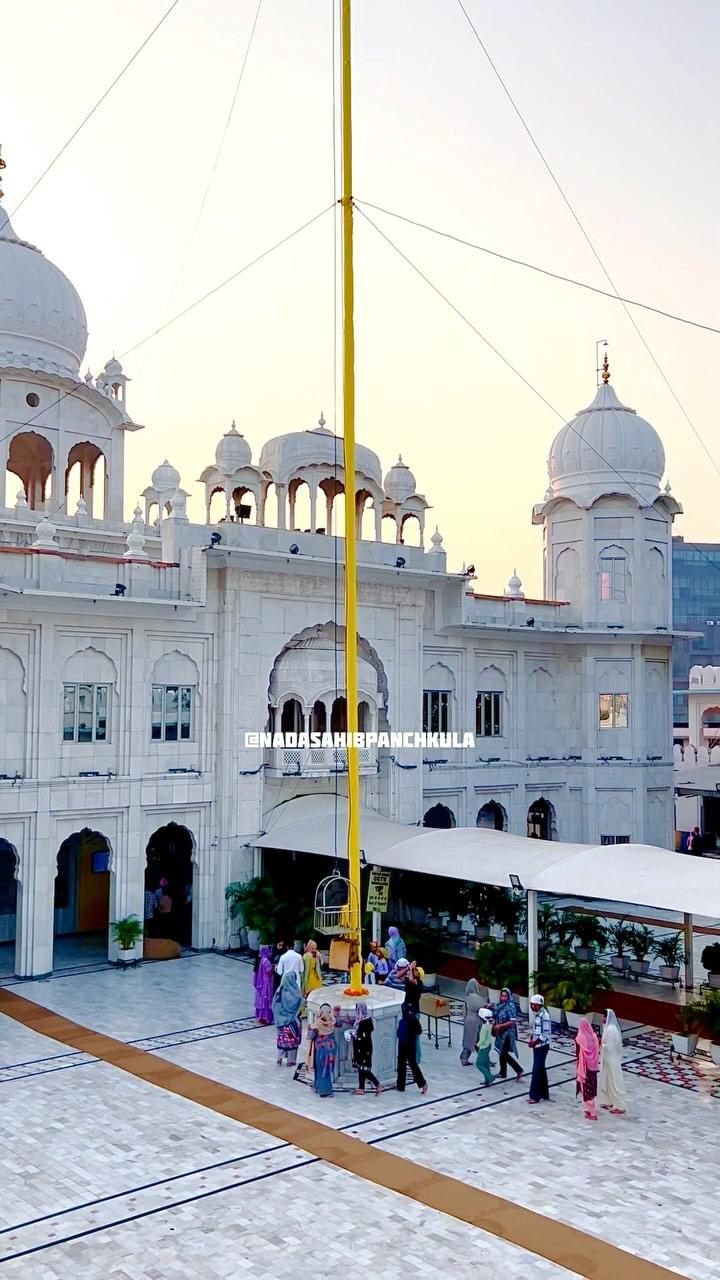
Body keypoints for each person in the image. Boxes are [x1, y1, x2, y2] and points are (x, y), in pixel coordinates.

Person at [271, 969, 302, 1066]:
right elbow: (299, 1004)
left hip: (281, 1022)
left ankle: (279, 1058)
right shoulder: (295, 993)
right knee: (292, 1042)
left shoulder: (279, 990)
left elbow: (274, 1004)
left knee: (282, 1040)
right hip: (292, 1022)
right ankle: (291, 1061)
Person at [350, 1001, 382, 1095]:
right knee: (361, 1068)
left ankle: (377, 1084)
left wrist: (355, 1036)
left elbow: (363, 1037)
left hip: (364, 1049)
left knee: (364, 1069)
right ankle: (361, 1088)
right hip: (361, 1048)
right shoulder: (361, 1020)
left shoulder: (365, 1022)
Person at [306, 1003, 338, 1097]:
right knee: (327, 1069)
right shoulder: (332, 1020)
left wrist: (309, 1029)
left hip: (321, 1050)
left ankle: (325, 1090)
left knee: (321, 1069)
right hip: (331, 1049)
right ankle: (318, 1086)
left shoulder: (318, 1023)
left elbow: (310, 1036)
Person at [396, 1000, 427, 1094]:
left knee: (408, 1063)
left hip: (407, 1042)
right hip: (406, 1042)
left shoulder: (407, 1021)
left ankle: (421, 1083)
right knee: (404, 1062)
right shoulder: (411, 1020)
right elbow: (419, 1031)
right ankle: (401, 1086)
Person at [599, 1008, 627, 1115]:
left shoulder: (611, 1029)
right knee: (606, 1080)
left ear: (607, 1017)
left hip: (612, 1059)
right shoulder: (607, 1027)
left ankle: (619, 1105)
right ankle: (608, 1101)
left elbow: (610, 1046)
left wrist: (601, 1044)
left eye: (603, 1016)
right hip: (607, 1059)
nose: (601, 1018)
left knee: (613, 1081)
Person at [493, 987, 523, 1081]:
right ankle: (503, 1072)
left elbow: (512, 1022)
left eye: (505, 996)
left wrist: (501, 1026)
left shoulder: (511, 1006)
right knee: (502, 1052)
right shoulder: (500, 1005)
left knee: (503, 1053)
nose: (503, 998)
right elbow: (495, 1011)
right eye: (502, 996)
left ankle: (518, 1069)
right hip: (501, 1032)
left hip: (508, 1033)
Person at [527, 994, 552, 1104]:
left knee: (536, 1069)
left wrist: (535, 1042)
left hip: (542, 1046)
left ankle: (534, 1096)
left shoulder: (544, 1016)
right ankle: (544, 1093)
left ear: (539, 1005)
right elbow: (536, 1030)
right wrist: (532, 1040)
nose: (532, 1007)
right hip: (536, 1045)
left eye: (534, 1005)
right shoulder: (537, 1015)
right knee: (541, 1068)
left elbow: (545, 1033)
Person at [575, 1017, 600, 1120]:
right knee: (591, 1089)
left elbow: (577, 1052)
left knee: (585, 1089)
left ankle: (592, 1113)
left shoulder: (580, 1038)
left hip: (584, 1068)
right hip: (593, 1067)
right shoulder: (594, 1036)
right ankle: (589, 1110)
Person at [461, 978, 484, 1066]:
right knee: (477, 1041)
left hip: (468, 1020)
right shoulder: (474, 997)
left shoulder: (467, 996)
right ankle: (465, 1058)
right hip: (475, 1022)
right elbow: (481, 1006)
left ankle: (465, 1057)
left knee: (469, 1040)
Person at [253, 944, 274, 1025]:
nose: (270, 953)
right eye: (269, 951)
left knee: (261, 1000)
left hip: (262, 983)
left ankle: (260, 1017)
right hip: (266, 983)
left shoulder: (262, 959)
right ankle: (265, 1018)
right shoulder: (266, 961)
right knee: (266, 1001)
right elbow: (269, 972)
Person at [474, 1008, 495, 1086]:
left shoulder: (483, 1027)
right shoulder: (489, 1025)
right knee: (486, 1064)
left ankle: (490, 1077)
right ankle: (487, 1080)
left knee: (479, 1064)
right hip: (488, 1045)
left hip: (483, 1047)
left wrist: (477, 1044)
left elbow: (482, 1039)